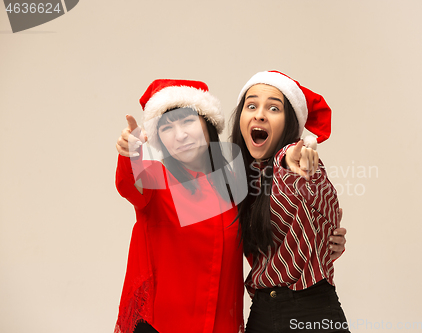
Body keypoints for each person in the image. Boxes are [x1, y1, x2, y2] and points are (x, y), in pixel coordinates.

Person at [114, 78, 347, 333]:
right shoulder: (156, 179)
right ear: (158, 138)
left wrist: (324, 240)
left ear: (208, 125)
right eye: (167, 128)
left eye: (188, 121)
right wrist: (131, 153)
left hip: (223, 325)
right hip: (162, 325)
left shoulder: (235, 184)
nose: (180, 135)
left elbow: (272, 233)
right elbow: (129, 182)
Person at [230, 70, 350, 332]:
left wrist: (291, 162)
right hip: (261, 313)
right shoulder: (242, 178)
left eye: (274, 108)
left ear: (290, 125)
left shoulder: (299, 167)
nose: (259, 114)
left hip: (309, 313)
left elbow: (308, 183)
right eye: (251, 105)